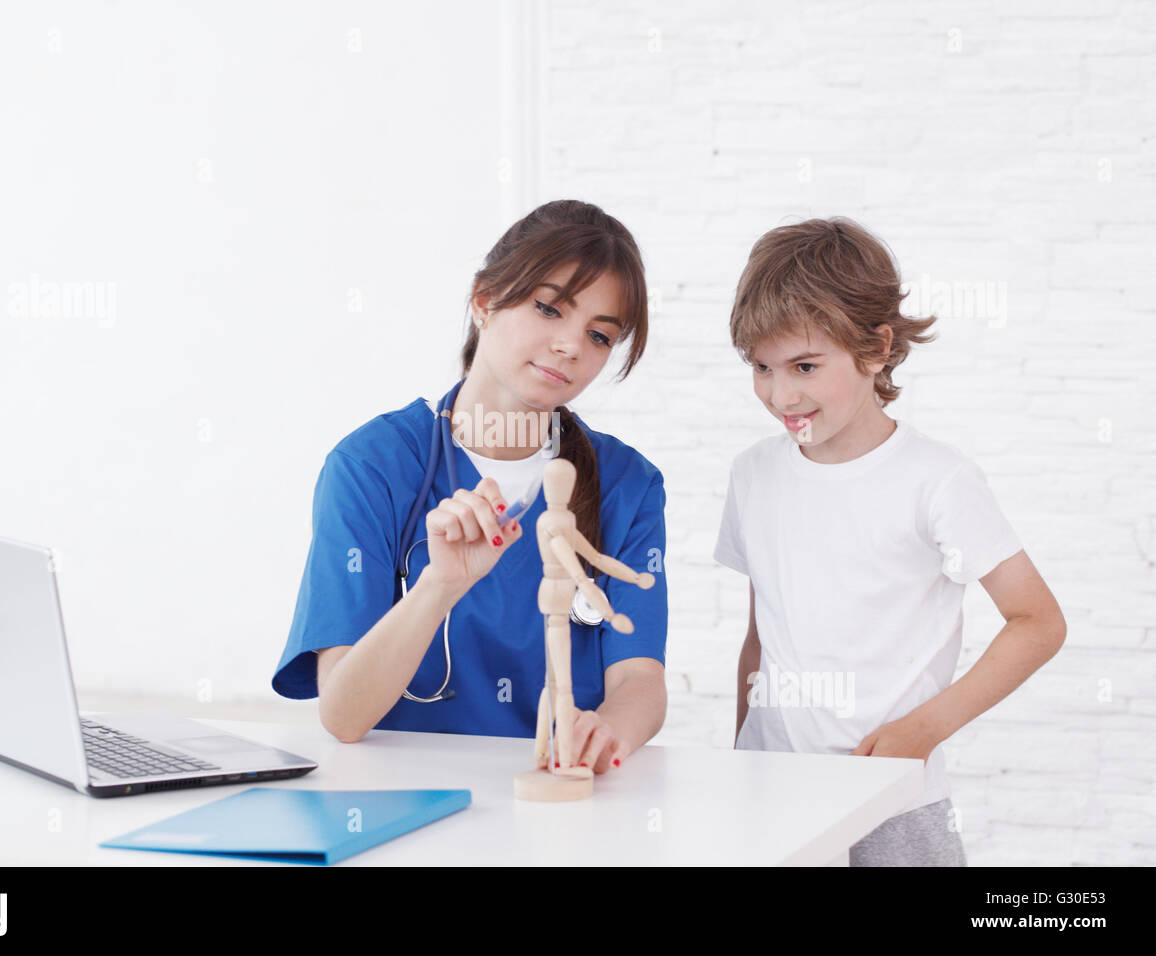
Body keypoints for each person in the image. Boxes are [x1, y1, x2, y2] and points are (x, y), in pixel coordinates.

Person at [714, 217, 1067, 865]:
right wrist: (741, 758)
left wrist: (926, 728)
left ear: (875, 350)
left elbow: (1037, 621)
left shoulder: (936, 479)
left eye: (805, 365)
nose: (779, 393)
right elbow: (760, 635)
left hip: (893, 801)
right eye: (761, 367)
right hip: (774, 793)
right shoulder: (753, 475)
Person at [272, 199, 668, 774]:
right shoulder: (372, 467)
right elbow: (342, 716)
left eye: (600, 336)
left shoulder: (627, 485)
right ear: (485, 300)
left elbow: (639, 678)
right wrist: (438, 585)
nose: (571, 346)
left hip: (560, 800)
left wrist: (608, 731)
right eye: (549, 309)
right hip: (404, 800)